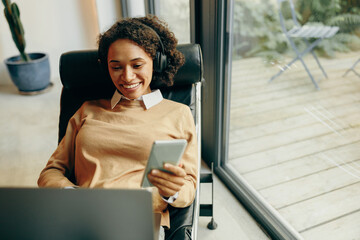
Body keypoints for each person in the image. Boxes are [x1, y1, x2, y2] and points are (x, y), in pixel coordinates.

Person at [37, 15, 198, 233]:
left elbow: (188, 187)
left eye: (137, 65)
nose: (127, 77)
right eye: (116, 67)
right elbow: (51, 172)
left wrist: (173, 190)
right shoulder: (87, 110)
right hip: (81, 217)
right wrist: (70, 193)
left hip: (137, 220)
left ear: (156, 62)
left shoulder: (177, 113)